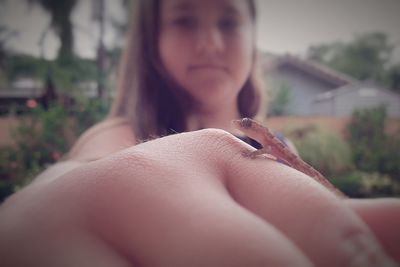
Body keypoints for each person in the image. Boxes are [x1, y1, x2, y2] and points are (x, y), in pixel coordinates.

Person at [0, 0, 399, 266]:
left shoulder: (276, 143)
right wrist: (44, 204)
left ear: (253, 41)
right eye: (184, 20)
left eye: (229, 21)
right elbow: (79, 168)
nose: (209, 43)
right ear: (151, 43)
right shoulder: (121, 132)